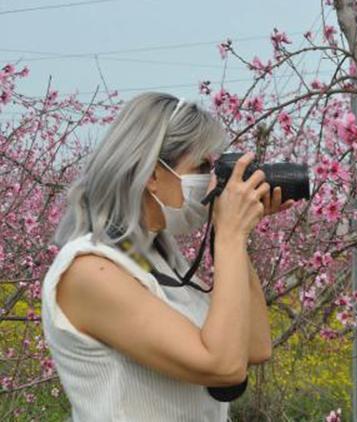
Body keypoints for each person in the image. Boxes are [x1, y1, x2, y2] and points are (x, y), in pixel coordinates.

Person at [40, 92, 296, 421]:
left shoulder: (159, 259)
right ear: (151, 174)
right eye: (202, 167)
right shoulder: (88, 271)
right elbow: (223, 365)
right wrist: (231, 235)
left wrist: (229, 232)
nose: (211, 181)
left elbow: (255, 346)